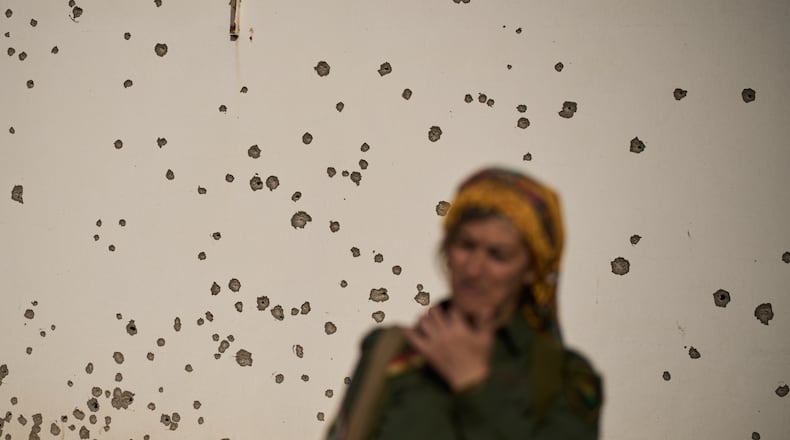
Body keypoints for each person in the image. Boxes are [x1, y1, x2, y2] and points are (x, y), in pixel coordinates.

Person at [325, 166, 603, 440]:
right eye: (466, 246)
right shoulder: (389, 352)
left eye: (498, 255)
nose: (474, 269)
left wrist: (476, 387)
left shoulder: (563, 379)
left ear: (531, 269)